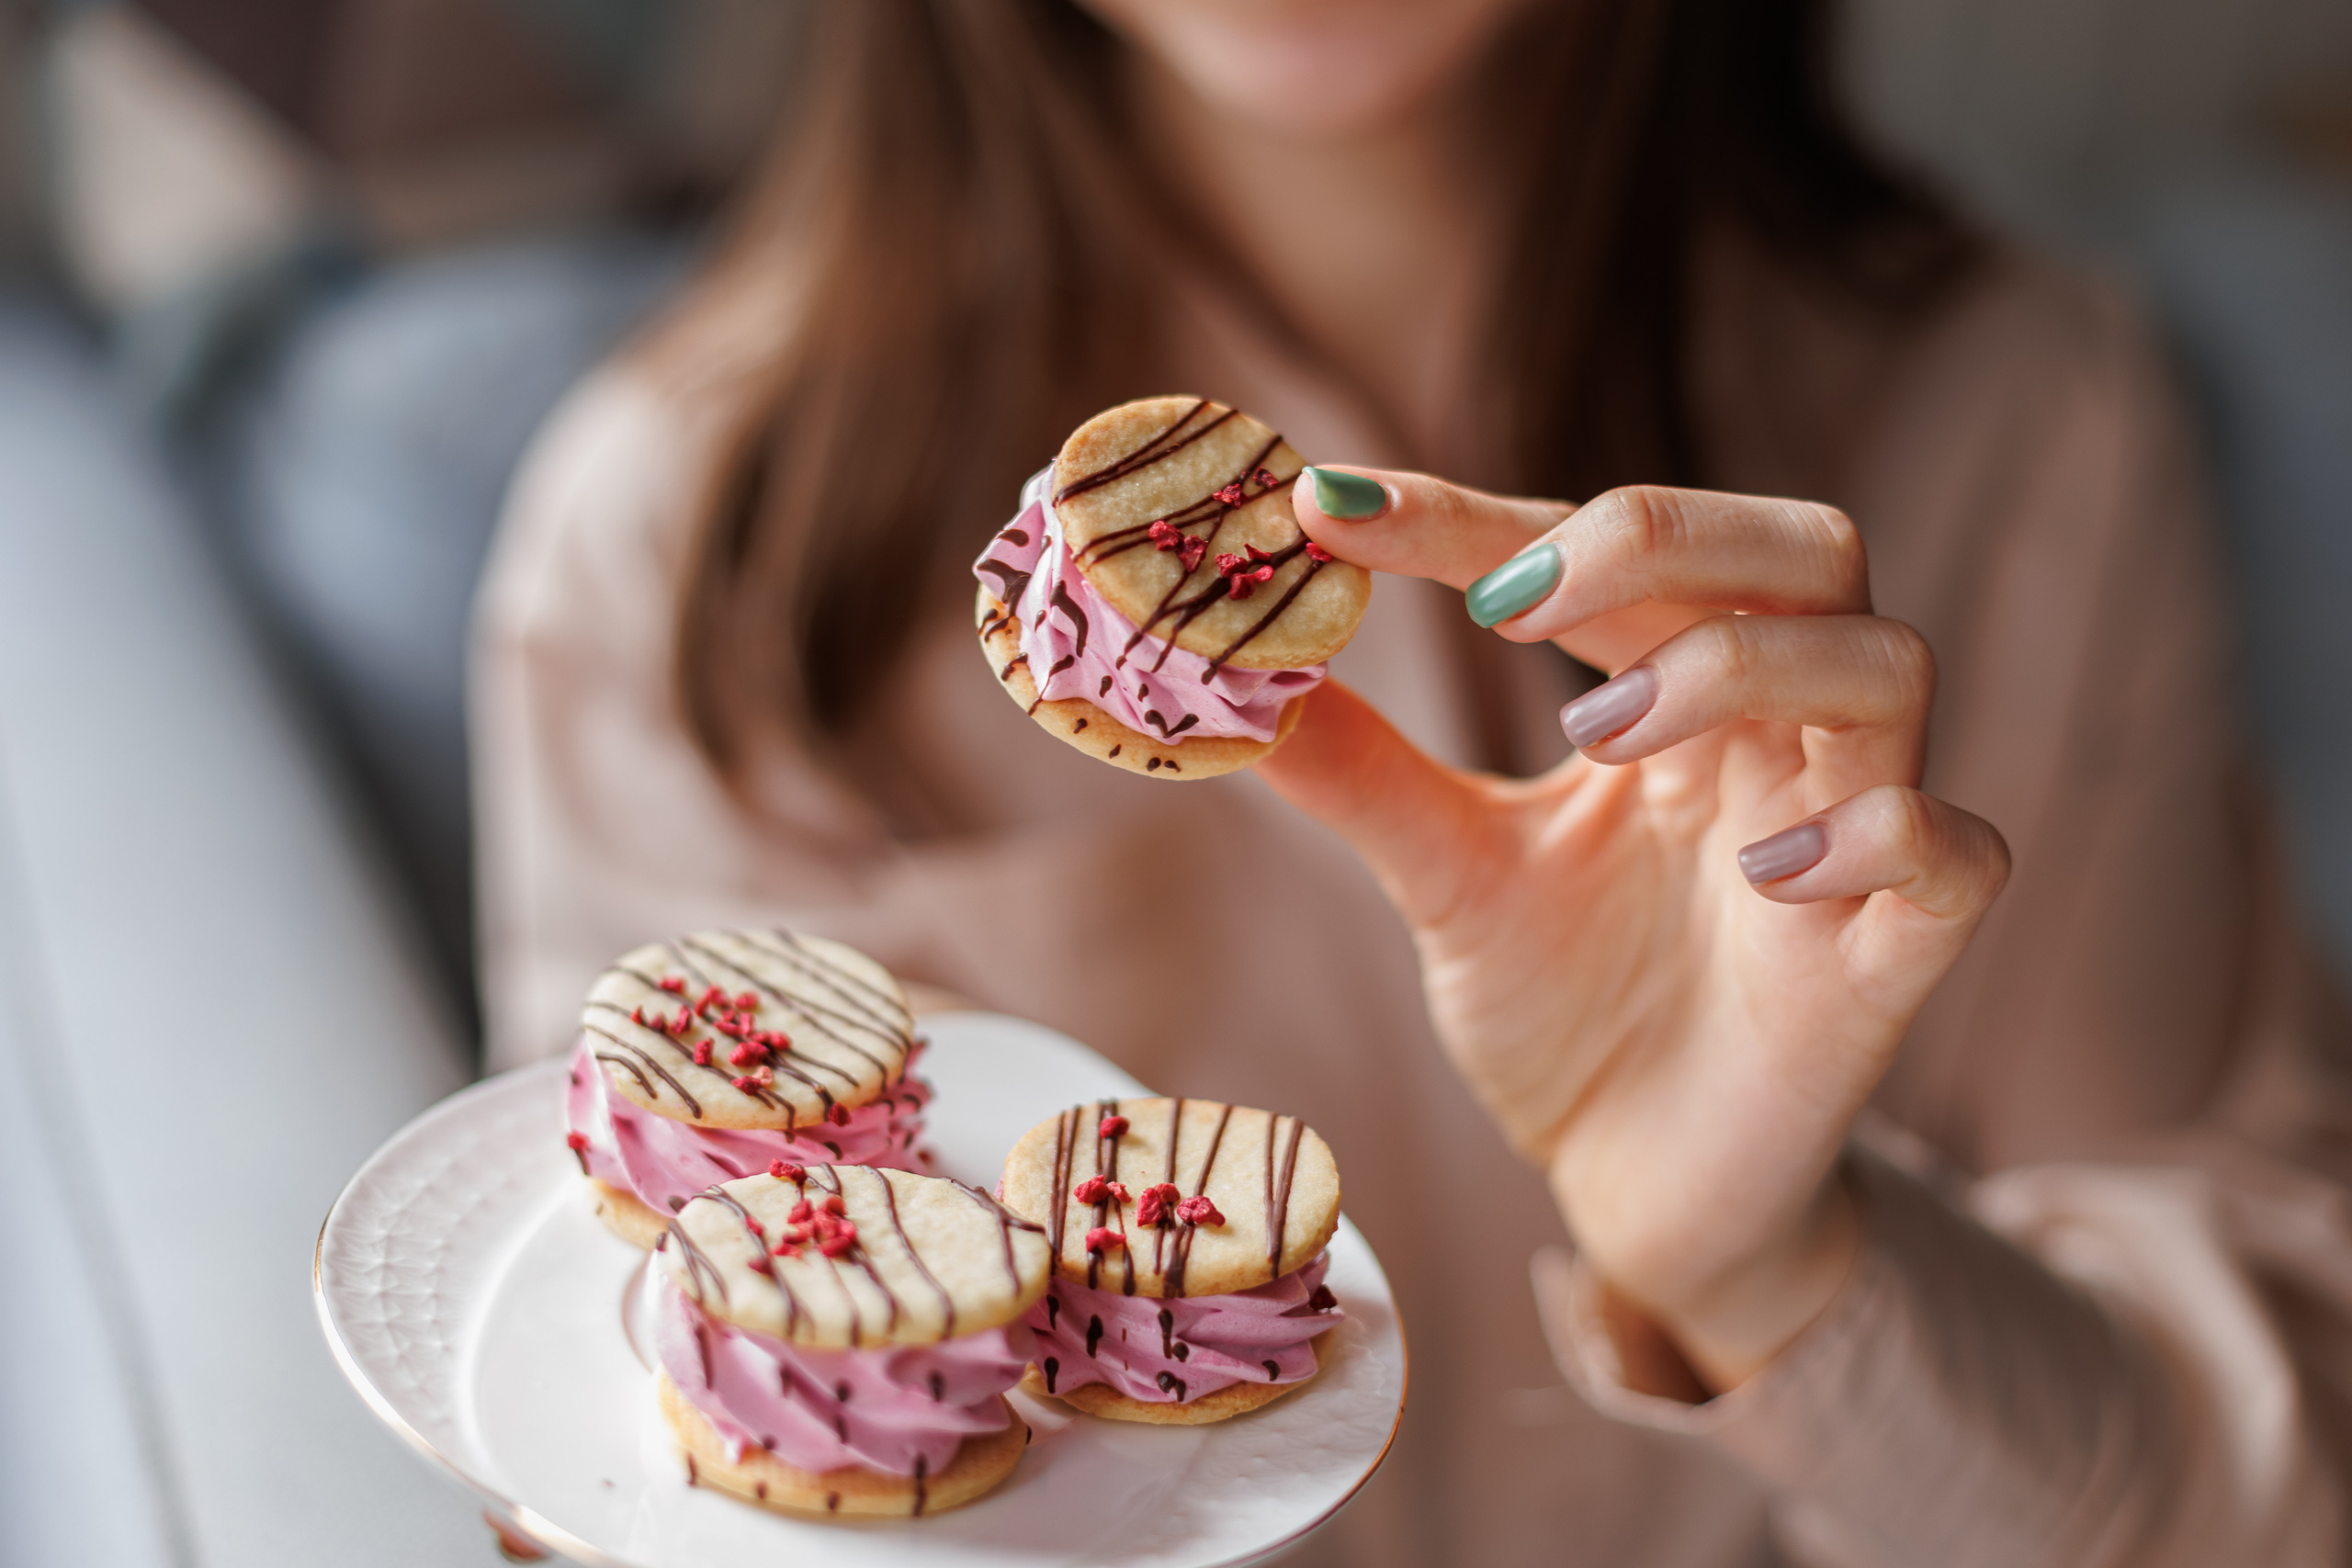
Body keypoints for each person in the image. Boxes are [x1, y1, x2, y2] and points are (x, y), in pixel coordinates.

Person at [472, 1, 2352, 1562]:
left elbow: (2266, 1503)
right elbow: (633, 1447)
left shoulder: (2036, 424)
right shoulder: (682, 545)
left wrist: (1785, 1271)